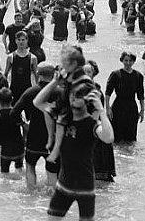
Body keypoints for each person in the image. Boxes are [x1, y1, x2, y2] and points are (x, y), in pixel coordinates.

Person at [34, 65, 115, 220]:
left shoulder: (91, 124)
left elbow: (109, 137)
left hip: (85, 186)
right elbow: (37, 102)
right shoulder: (63, 118)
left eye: (78, 97)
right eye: (72, 95)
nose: (74, 99)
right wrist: (55, 81)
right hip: (64, 184)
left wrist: (102, 111)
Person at [11, 62, 59, 189]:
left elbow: (14, 112)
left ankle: (31, 195)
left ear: (38, 74)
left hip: (34, 136)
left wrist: (23, 124)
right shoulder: (60, 92)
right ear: (53, 75)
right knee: (52, 172)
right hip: (53, 138)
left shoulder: (31, 92)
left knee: (30, 166)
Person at [84, 60, 116, 182]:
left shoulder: (96, 91)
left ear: (93, 74)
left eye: (89, 71)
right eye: (84, 71)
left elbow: (96, 113)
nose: (86, 74)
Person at [105, 51, 145, 143]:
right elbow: (108, 93)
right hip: (118, 107)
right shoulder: (115, 74)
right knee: (116, 138)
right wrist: (108, 108)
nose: (128, 63)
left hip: (132, 109)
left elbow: (140, 95)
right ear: (122, 61)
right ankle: (118, 156)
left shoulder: (138, 76)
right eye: (125, 60)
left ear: (134, 61)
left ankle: (129, 155)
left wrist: (142, 110)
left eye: (130, 60)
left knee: (131, 138)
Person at [0, 87, 25, 174]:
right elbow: (25, 126)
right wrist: (25, 139)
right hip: (19, 146)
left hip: (6, 148)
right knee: (19, 170)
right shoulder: (16, 113)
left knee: (4, 173)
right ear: (12, 99)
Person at [4, 31, 38, 105]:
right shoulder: (10, 57)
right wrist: (4, 90)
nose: (21, 42)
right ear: (15, 41)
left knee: (29, 115)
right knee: (13, 114)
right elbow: (5, 75)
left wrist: (38, 90)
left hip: (27, 90)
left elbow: (36, 76)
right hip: (14, 89)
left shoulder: (33, 58)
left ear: (27, 40)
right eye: (19, 40)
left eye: (23, 40)